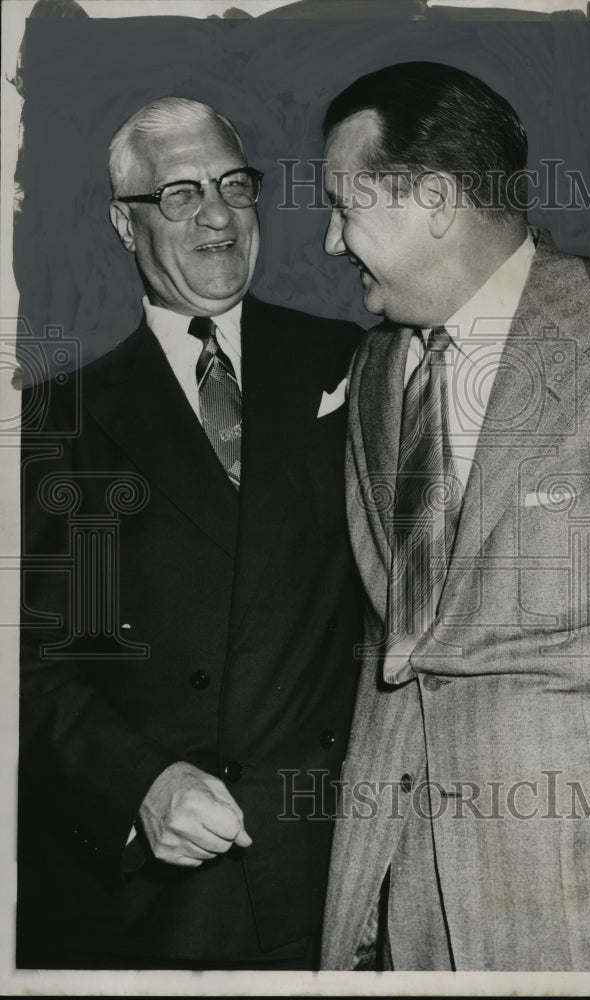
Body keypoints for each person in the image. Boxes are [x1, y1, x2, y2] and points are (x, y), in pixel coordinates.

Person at [319, 62, 590, 972]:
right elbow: (400, 649)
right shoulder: (372, 375)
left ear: (433, 199)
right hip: (415, 903)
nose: (328, 240)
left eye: (344, 205)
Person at [18, 97, 363, 969]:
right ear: (122, 223)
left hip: (331, 867)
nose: (216, 215)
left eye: (232, 186)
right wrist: (138, 782)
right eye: (177, 194)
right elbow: (36, 664)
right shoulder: (67, 418)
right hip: (163, 893)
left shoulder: (349, 359)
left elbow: (501, 352)